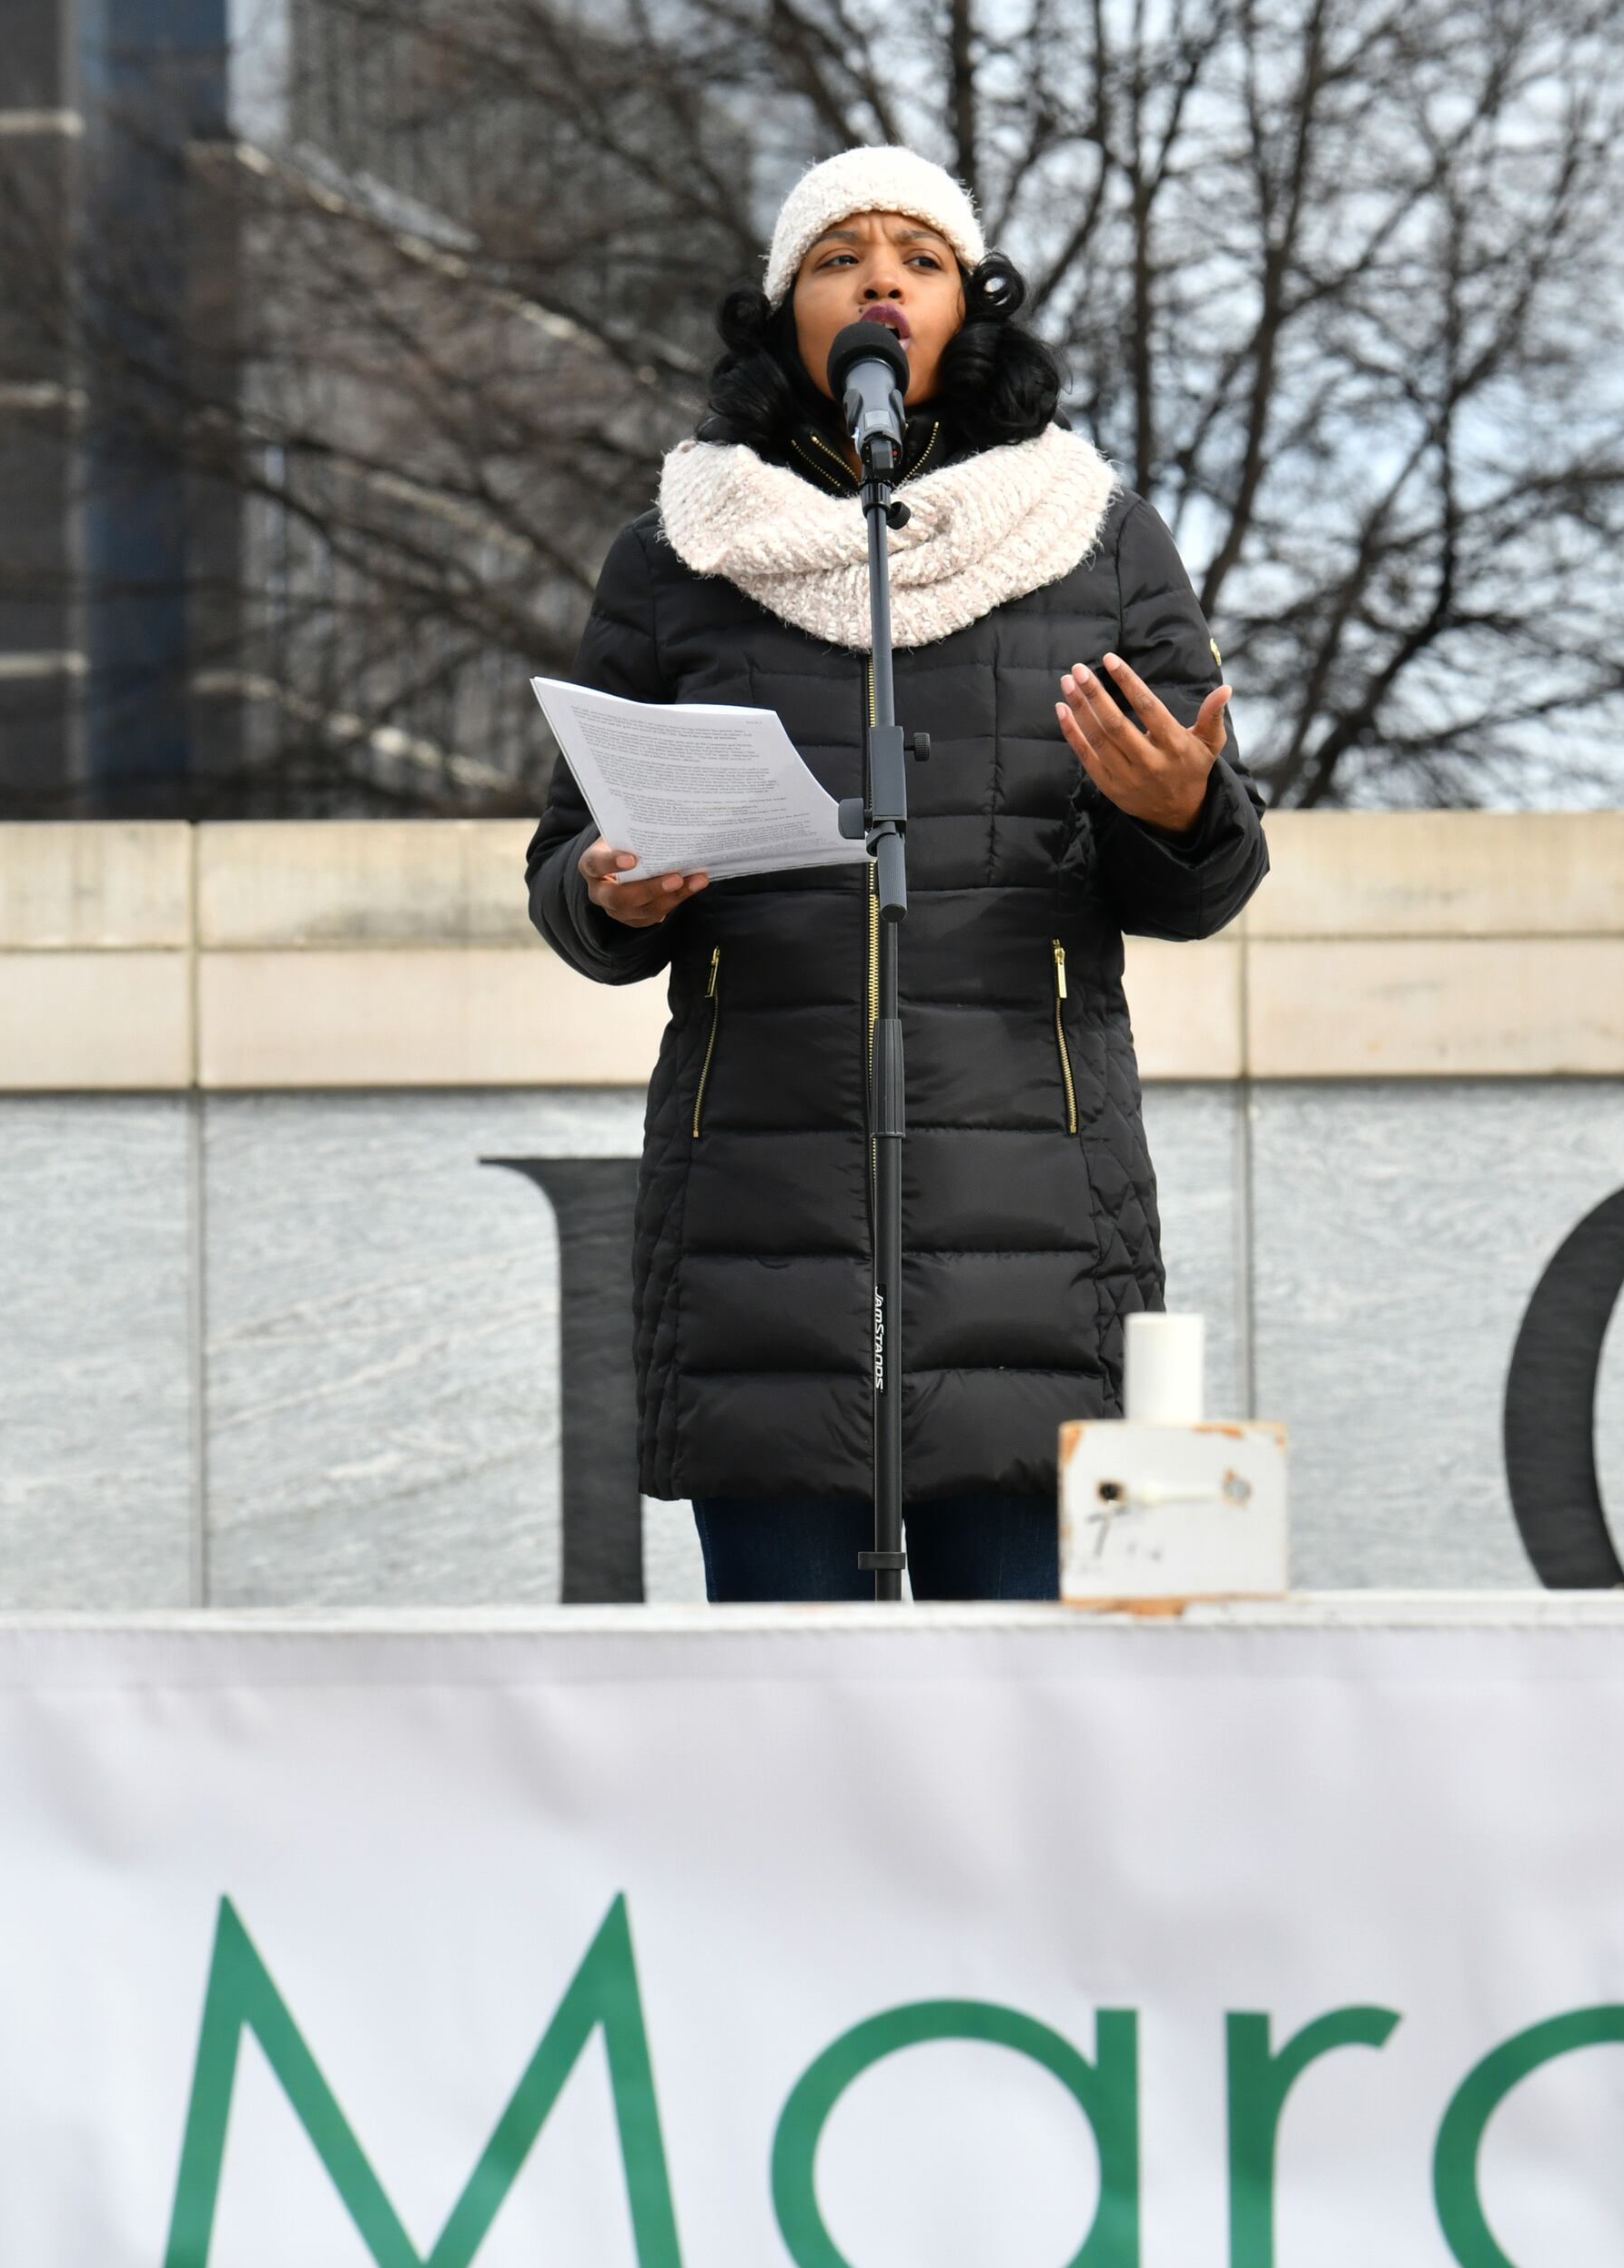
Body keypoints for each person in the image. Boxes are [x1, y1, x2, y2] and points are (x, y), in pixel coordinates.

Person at [524, 146, 1269, 1602]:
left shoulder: (1097, 538)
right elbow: (568, 866)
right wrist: (609, 892)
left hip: (1037, 1217)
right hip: (761, 1218)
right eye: (839, 258)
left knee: (1030, 1705)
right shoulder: (678, 556)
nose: (880, 280)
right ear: (786, 315)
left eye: (920, 259)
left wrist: (1182, 808)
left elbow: (1208, 877)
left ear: (966, 310)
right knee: (788, 1709)